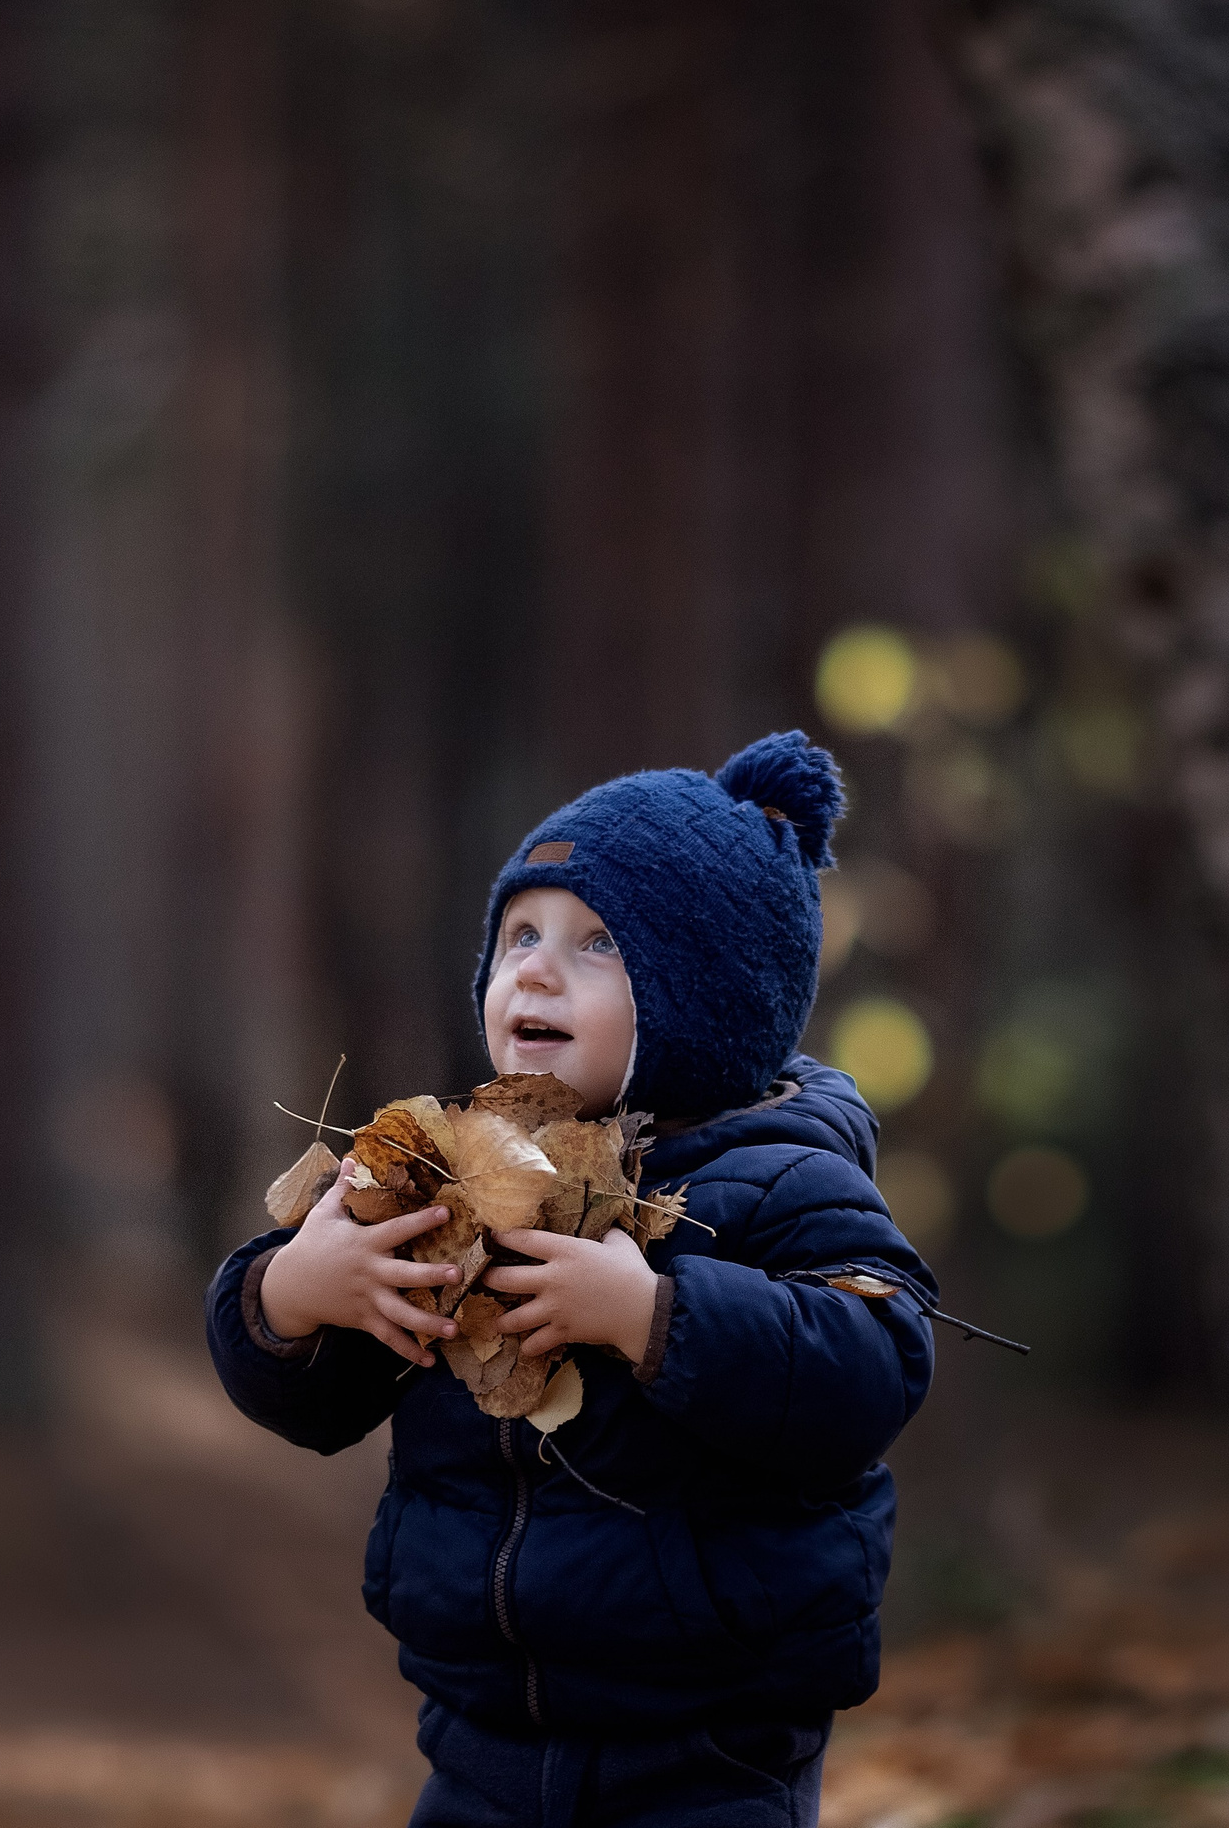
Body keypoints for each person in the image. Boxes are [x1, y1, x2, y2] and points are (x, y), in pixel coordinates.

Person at [205, 733, 936, 1828]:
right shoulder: (463, 1171)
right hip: (480, 1734)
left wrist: (655, 1316)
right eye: (518, 936)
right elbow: (310, 1401)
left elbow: (874, 1360)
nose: (535, 969)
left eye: (597, 943)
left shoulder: (782, 1176)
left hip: (708, 1747)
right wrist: (297, 1296)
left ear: (711, 990)